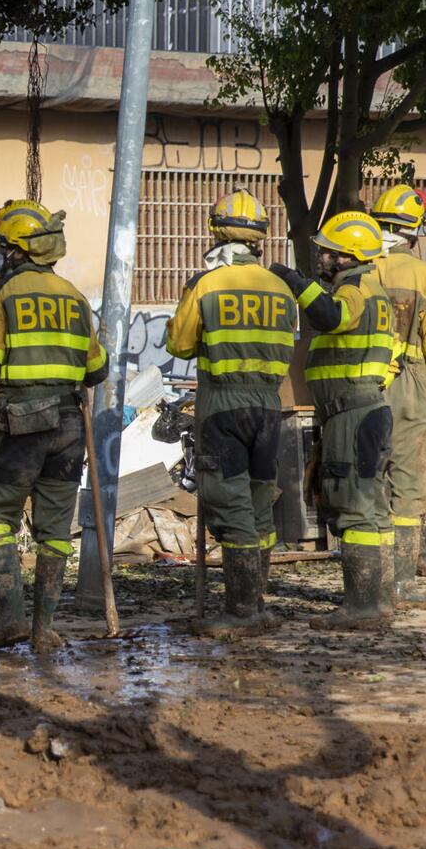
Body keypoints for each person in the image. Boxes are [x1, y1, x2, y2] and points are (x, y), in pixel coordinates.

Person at [0, 200, 107, 655]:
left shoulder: (1, 296)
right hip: (67, 427)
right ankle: (44, 629)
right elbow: (97, 369)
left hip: (18, 423)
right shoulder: (75, 297)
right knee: (55, 530)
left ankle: (10, 617)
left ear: (17, 250)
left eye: (2, 246)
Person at [163, 190, 298, 634]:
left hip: (222, 404)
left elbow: (180, 344)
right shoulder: (281, 289)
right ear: (260, 238)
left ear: (215, 232)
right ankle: (258, 605)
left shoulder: (206, 284)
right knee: (260, 504)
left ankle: (240, 614)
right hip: (268, 405)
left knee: (230, 501)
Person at [271, 211, 398, 629]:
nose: (322, 257)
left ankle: (361, 607)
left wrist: (296, 284)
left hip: (352, 412)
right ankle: (379, 600)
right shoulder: (375, 291)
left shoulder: (355, 290)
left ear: (348, 256)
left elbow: (332, 317)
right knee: (374, 509)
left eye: (328, 251)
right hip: (365, 409)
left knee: (353, 506)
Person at [368, 184, 426, 601]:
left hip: (362, 385)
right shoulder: (424, 275)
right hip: (410, 383)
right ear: (414, 230)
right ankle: (401, 583)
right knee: (409, 486)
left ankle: (370, 583)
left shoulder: (361, 267)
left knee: (369, 483)